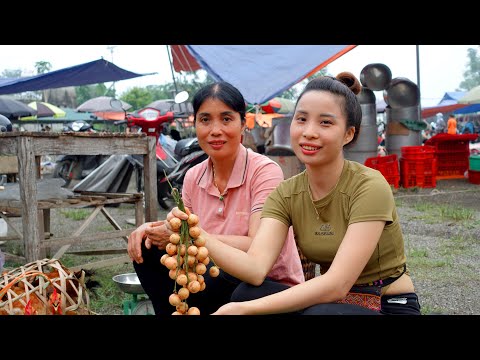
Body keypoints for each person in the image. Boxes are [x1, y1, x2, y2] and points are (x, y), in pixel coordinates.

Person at [167, 72, 421, 315]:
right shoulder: (287, 193)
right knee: (247, 293)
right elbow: (256, 269)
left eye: (325, 122)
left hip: (386, 304)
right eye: (301, 119)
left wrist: (244, 311)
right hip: (330, 304)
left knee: (306, 312)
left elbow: (337, 284)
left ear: (348, 134)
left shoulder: (369, 185)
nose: (309, 131)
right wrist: (196, 232)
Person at [127, 81, 305, 315]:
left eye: (226, 119)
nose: (215, 130)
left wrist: (191, 237)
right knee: (148, 248)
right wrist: (151, 229)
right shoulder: (193, 176)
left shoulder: (264, 171)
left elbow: (254, 247)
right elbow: (183, 230)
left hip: (267, 286)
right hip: (215, 277)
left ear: (243, 124)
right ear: (196, 125)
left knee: (242, 289)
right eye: (205, 119)